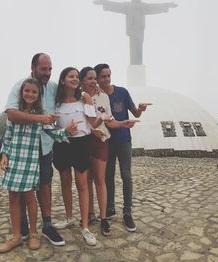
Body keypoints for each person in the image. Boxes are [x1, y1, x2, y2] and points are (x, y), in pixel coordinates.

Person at [0, 79, 77, 253]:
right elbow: (8, 136)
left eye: (34, 92)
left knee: (30, 197)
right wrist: (4, 154)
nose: (30, 94)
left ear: (38, 95)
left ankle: (34, 233)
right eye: (27, 91)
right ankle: (17, 236)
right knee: (12, 197)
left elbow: (53, 133)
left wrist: (66, 131)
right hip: (14, 159)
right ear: (22, 92)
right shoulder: (15, 114)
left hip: (30, 161)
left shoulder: (42, 116)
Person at [5, 53, 66, 246]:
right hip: (23, 148)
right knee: (21, 188)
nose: (47, 73)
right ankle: (23, 228)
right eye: (43, 69)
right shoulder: (21, 86)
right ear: (33, 67)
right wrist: (39, 119)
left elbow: (73, 88)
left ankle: (46, 226)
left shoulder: (55, 87)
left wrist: (88, 95)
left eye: (50, 69)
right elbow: (12, 114)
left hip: (46, 145)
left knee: (45, 184)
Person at [52, 67, 107, 246]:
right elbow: (52, 125)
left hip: (81, 144)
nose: (75, 79)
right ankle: (69, 217)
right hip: (62, 144)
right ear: (62, 80)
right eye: (71, 76)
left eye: (76, 76)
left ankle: (84, 226)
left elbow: (92, 123)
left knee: (82, 184)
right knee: (65, 182)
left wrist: (103, 119)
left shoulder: (85, 99)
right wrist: (63, 131)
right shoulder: (56, 101)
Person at [94, 63, 147, 232]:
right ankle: (110, 208)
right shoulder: (96, 96)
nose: (107, 79)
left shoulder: (122, 92)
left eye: (108, 75)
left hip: (124, 140)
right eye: (103, 76)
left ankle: (127, 212)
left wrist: (140, 109)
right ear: (97, 78)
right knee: (108, 176)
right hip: (107, 140)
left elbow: (135, 113)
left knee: (126, 176)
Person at [81, 66, 121, 237]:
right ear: (83, 80)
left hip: (101, 140)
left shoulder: (103, 96)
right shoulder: (77, 97)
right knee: (86, 180)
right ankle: (89, 214)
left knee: (100, 179)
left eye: (94, 78)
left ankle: (103, 218)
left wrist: (122, 123)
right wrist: (90, 130)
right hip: (83, 141)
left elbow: (109, 120)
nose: (93, 81)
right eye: (89, 78)